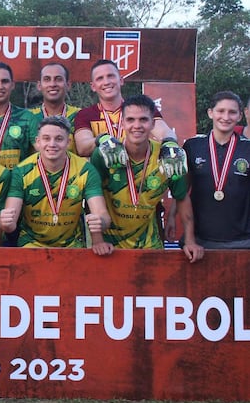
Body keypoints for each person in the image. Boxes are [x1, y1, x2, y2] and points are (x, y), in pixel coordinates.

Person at [90, 95, 203, 261]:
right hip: (109, 246)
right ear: (122, 123)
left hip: (150, 245)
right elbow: (92, 196)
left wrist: (190, 240)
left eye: (143, 119)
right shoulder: (104, 155)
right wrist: (97, 240)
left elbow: (182, 197)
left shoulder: (169, 158)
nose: (137, 126)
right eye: (130, 120)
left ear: (152, 123)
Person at [0, 116, 112, 253]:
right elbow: (10, 222)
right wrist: (6, 224)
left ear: (68, 142)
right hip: (31, 243)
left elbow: (102, 214)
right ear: (38, 142)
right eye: (46, 138)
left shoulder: (85, 170)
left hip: (72, 245)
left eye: (59, 139)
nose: (52, 144)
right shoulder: (22, 171)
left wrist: (101, 223)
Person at [183, 91, 250, 249]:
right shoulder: (192, 146)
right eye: (221, 111)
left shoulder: (248, 148)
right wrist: (172, 217)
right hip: (201, 240)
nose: (226, 117)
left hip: (243, 241)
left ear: (240, 116)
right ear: (210, 113)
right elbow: (182, 191)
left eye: (232, 112)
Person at [74, 59, 175, 159]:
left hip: (139, 171)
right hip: (104, 172)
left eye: (111, 76)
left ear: (121, 80)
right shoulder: (85, 114)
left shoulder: (141, 109)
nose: (106, 82)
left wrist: (170, 142)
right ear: (93, 86)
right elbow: (82, 147)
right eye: (100, 78)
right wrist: (100, 139)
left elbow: (165, 132)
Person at [30, 62, 80, 152]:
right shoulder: (28, 117)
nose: (52, 84)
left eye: (58, 79)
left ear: (68, 85)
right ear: (39, 85)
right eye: (47, 79)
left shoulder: (79, 115)